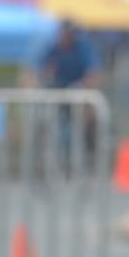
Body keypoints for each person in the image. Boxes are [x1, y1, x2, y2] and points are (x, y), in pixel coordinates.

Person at [32, 20, 101, 168]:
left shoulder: (83, 49)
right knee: (45, 121)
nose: (65, 37)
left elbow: (93, 74)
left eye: (68, 34)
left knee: (86, 117)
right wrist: (40, 79)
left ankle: (90, 148)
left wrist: (83, 86)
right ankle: (44, 157)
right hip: (57, 96)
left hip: (77, 97)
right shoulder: (53, 49)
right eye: (63, 33)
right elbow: (39, 70)